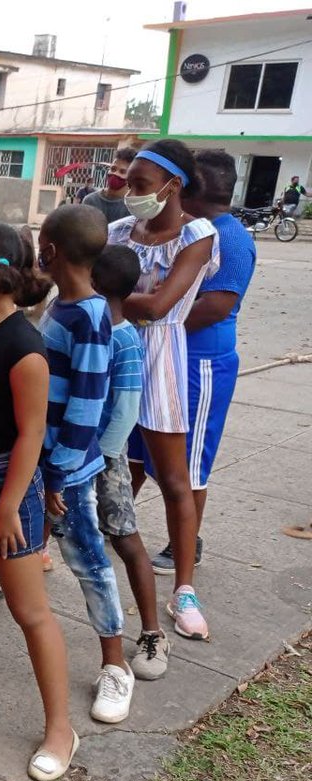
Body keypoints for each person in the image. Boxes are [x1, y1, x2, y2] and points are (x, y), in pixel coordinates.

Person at [0, 224, 78, 780]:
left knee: (31, 613)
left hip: (8, 485)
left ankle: (60, 727)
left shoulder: (25, 348)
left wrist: (7, 506)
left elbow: (31, 435)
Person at [108, 139, 218, 641]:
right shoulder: (117, 230)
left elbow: (159, 308)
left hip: (161, 360)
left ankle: (185, 588)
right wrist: (131, 299)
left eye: (141, 185)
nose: (131, 192)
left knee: (175, 478)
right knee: (83, 459)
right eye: (130, 182)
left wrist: (111, 295)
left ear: (173, 186)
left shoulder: (197, 235)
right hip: (114, 357)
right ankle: (38, 553)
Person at [36, 205, 136, 723]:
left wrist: (58, 471)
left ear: (51, 251)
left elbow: (87, 404)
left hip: (65, 471)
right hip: (42, 461)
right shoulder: (62, 303)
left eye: (40, 242)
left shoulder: (91, 318)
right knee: (0, 539)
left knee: (89, 561)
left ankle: (115, 665)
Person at [150, 151, 257, 577]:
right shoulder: (192, 231)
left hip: (201, 362)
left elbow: (215, 307)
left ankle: (185, 545)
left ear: (189, 188)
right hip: (168, 353)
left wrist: (150, 320)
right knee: (146, 452)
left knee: (191, 461)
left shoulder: (228, 238)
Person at [90, 244, 170, 681]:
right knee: (33, 525)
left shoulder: (123, 339)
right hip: (73, 449)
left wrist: (101, 460)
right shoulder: (87, 326)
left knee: (124, 538)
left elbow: (125, 409)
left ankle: (154, 632)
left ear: (95, 285)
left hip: (104, 456)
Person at [84, 147, 136, 225]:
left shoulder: (133, 208)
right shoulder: (90, 201)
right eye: (113, 169)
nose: (115, 174)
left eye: (122, 172)